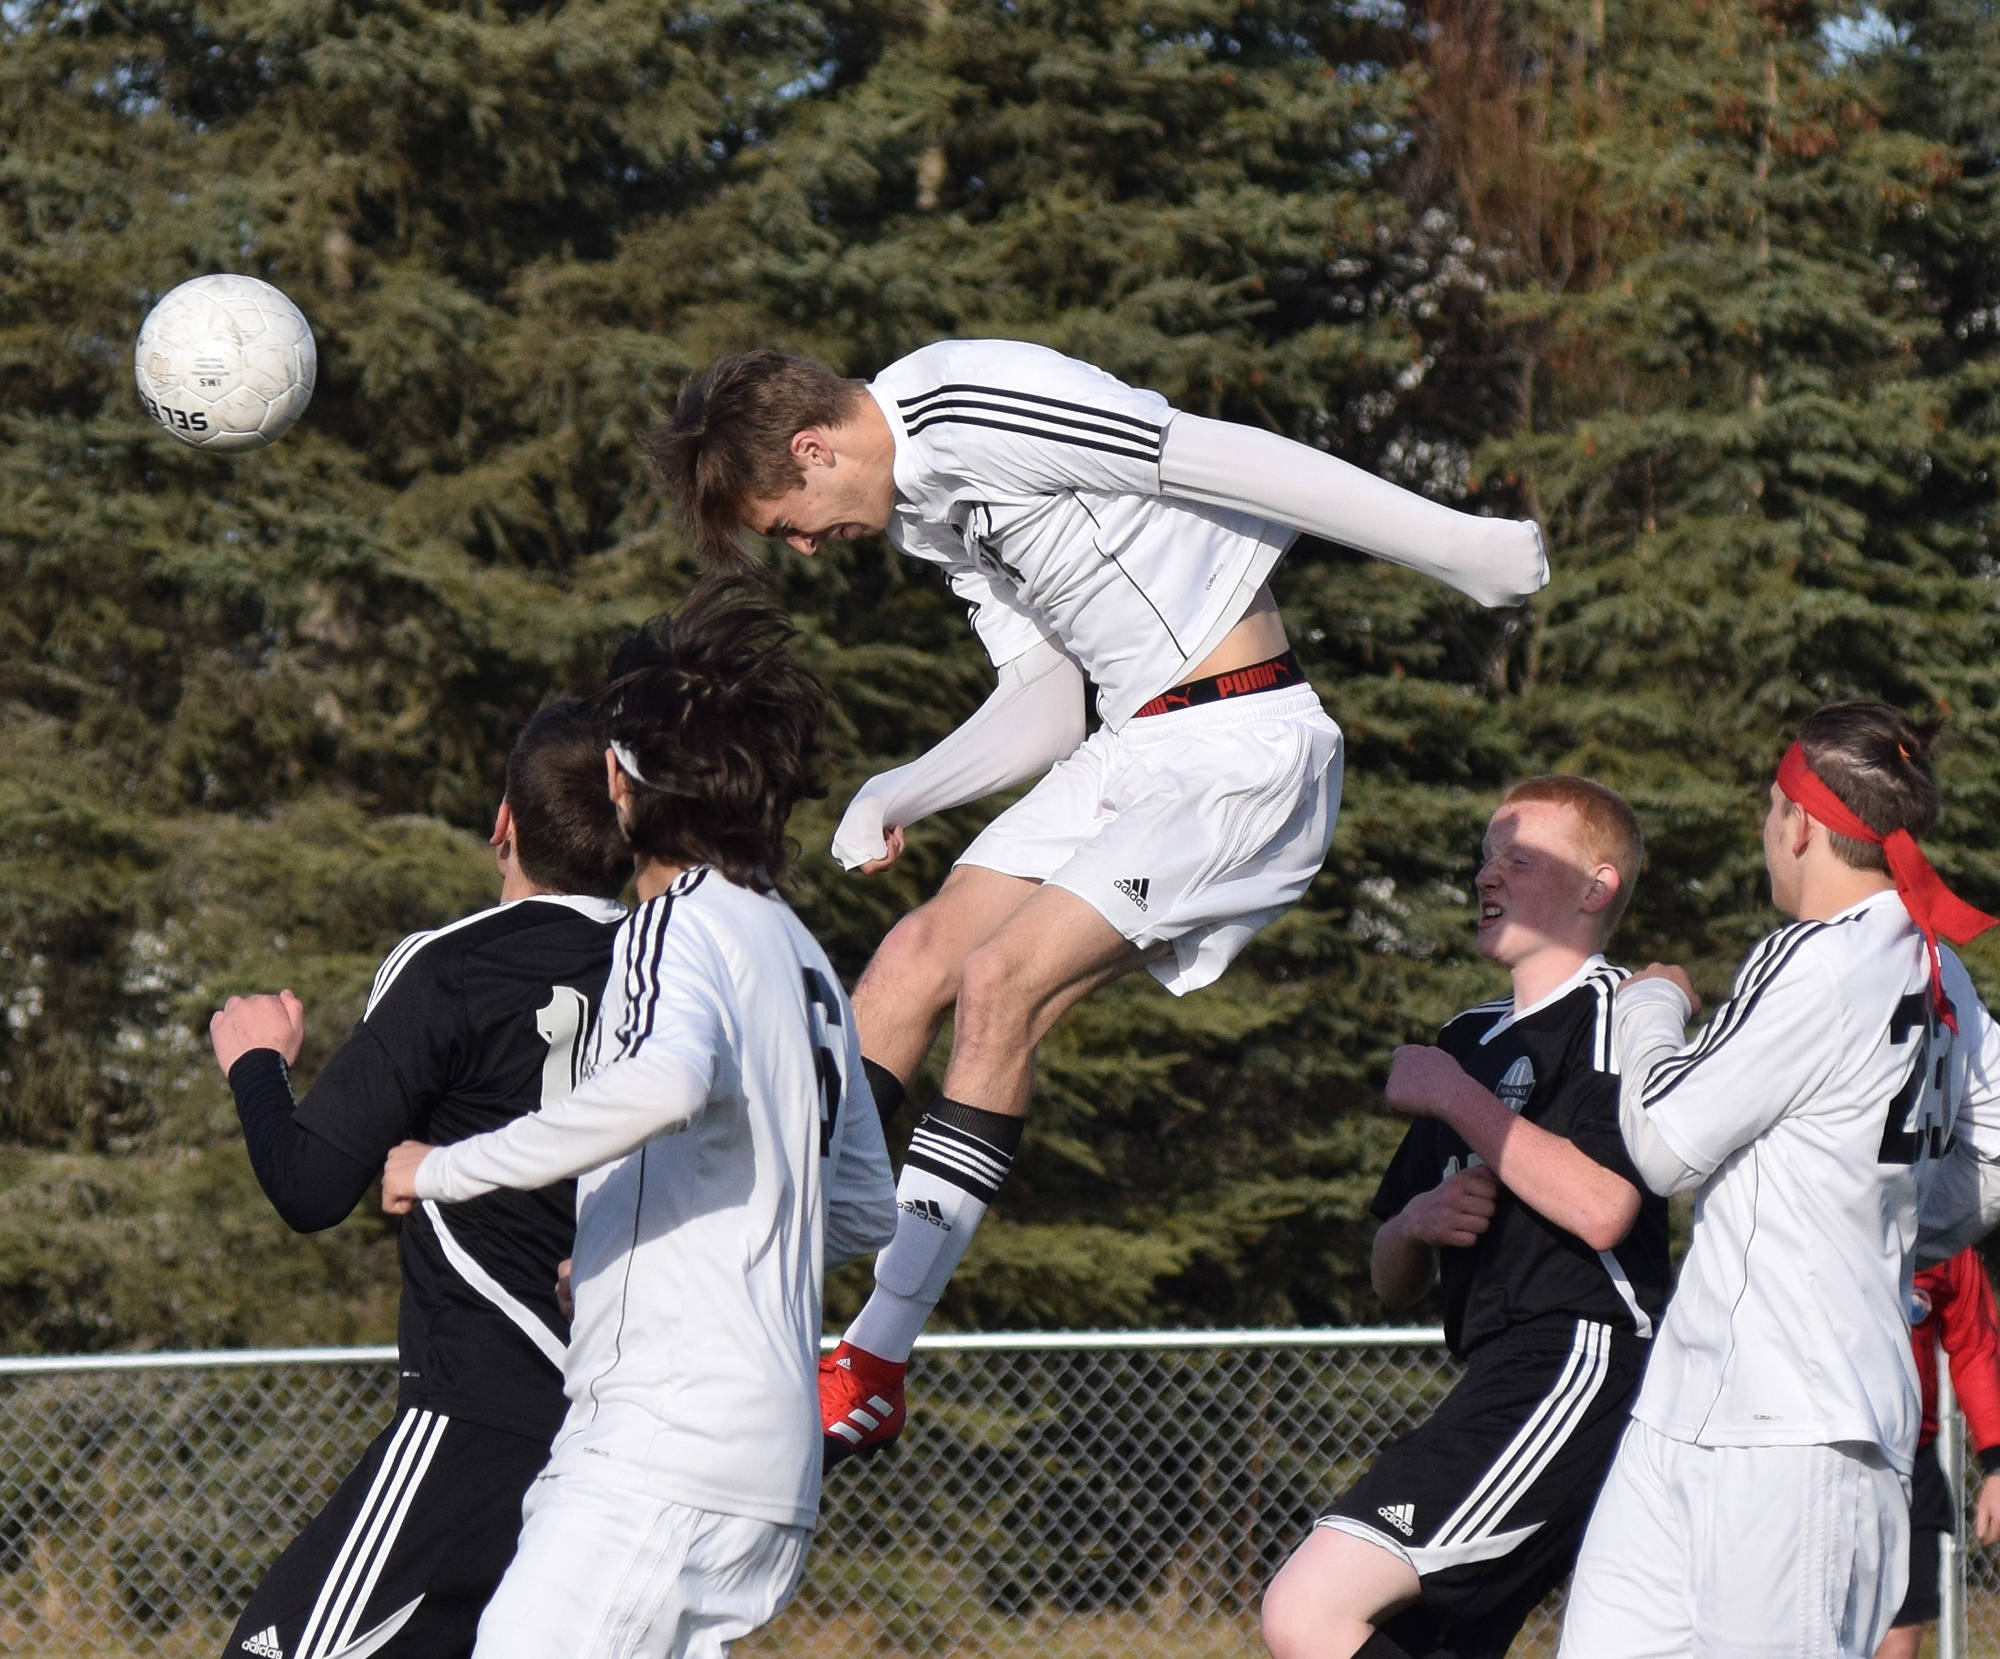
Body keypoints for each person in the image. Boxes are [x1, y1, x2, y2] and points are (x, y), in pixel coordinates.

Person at [648, 339, 1552, 1460]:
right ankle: (764, 1278)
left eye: (783, 519)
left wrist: (1455, 547)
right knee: (909, 961)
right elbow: (1044, 702)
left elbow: (1212, 457)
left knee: (999, 983)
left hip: (1238, 746)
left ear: (812, 447)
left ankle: (871, 1363)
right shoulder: (927, 511)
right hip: (1127, 747)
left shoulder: (959, 400)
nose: (802, 548)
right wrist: (902, 790)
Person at [379, 580, 897, 1659]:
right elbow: (856, 1210)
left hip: (659, 1448)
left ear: (619, 781)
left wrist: (438, 1169)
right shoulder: (800, 955)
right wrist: (621, 1248)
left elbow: (663, 1085)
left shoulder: (672, 926)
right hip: (769, 1475)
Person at [1561, 700, 2000, 1659]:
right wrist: (1890, 1227)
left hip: (1793, 1434)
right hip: (1704, 1409)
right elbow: (1997, 1152)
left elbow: (1666, 1146)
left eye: (1771, 809)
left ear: (1799, 821)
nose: (1768, 832)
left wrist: (1652, 1011)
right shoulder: (1938, 967)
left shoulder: (1818, 953)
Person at [206, 700, 632, 1659]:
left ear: (504, 827)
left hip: (477, 1414)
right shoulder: (673, 968)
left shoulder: (454, 966)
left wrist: (257, 1064)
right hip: (631, 1436)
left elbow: (310, 1184)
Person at [1260, 776, 1667, 1659]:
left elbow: (1605, 1208)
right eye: (1485, 857)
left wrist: (1454, 1097)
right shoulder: (1467, 1035)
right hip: (1496, 1369)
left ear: (1596, 886)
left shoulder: (1617, 1014)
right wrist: (1415, 1222)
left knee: (1308, 1609)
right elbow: (1388, 1275)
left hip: (1579, 1360)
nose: (1487, 876)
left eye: (1519, 859)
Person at [1874, 1246, 2000, 1659]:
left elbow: (1975, 1345)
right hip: (1817, 1457)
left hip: (1912, 1462)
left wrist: (1997, 1467)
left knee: (1899, 1640)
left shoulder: (1943, 1232)